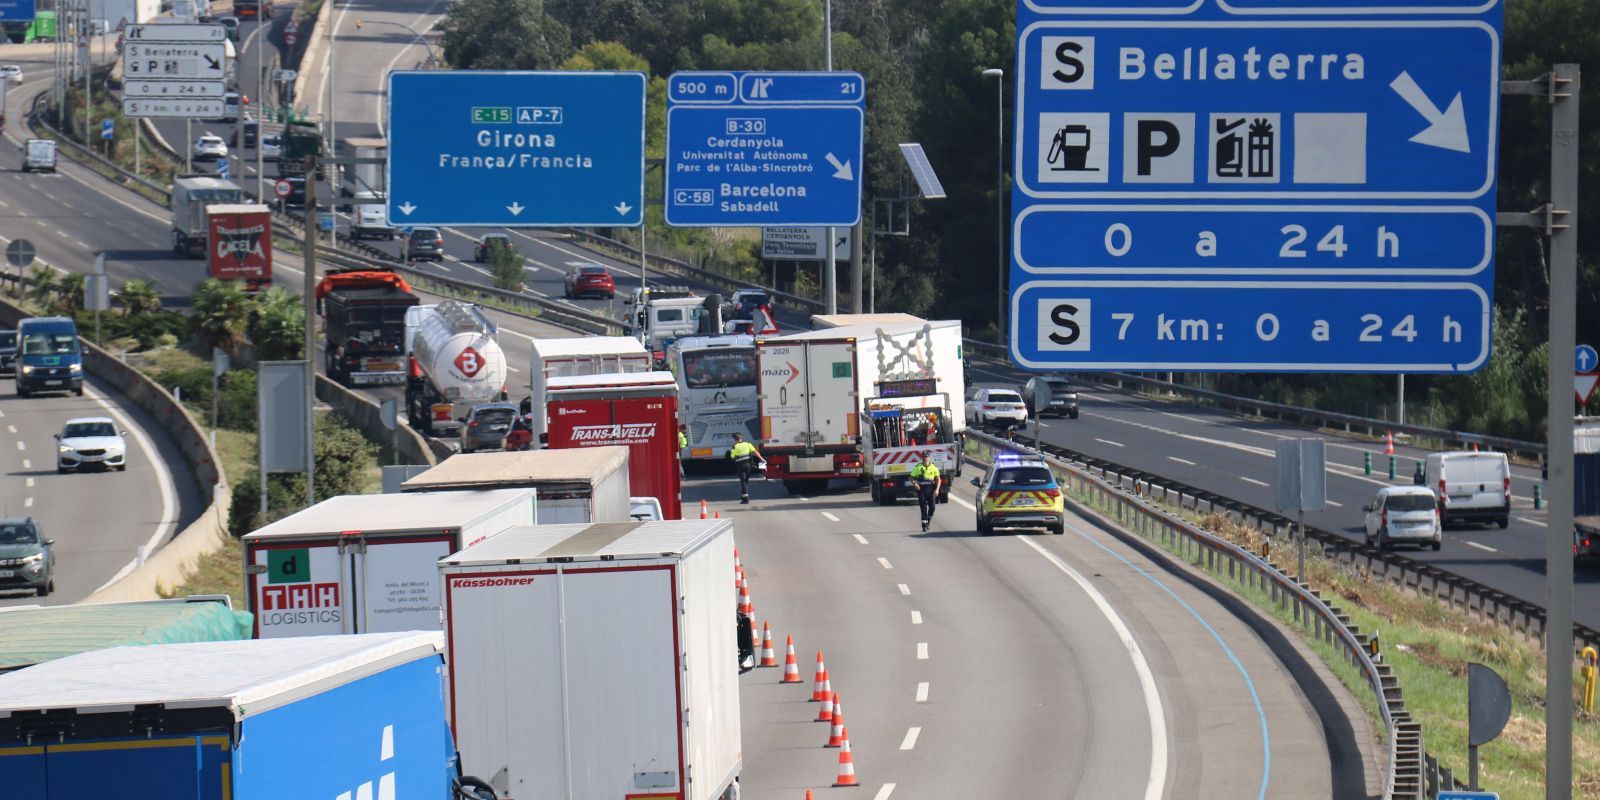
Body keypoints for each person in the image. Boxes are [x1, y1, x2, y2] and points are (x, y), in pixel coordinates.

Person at [727, 432, 765, 504]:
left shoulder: (735, 446)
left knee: (743, 481)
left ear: (735, 440)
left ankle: (745, 498)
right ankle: (744, 495)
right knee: (746, 480)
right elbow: (755, 452)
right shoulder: (748, 444)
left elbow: (732, 456)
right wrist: (761, 459)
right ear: (741, 438)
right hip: (748, 465)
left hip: (740, 466)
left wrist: (733, 451)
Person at [910, 451, 943, 532]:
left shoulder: (933, 467)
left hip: (931, 489)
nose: (926, 458)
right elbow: (911, 478)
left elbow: (938, 479)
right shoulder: (918, 467)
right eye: (924, 457)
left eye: (927, 457)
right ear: (922, 458)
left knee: (932, 507)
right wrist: (915, 484)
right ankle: (924, 525)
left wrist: (937, 489)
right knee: (923, 508)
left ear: (929, 458)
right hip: (921, 490)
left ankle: (928, 519)